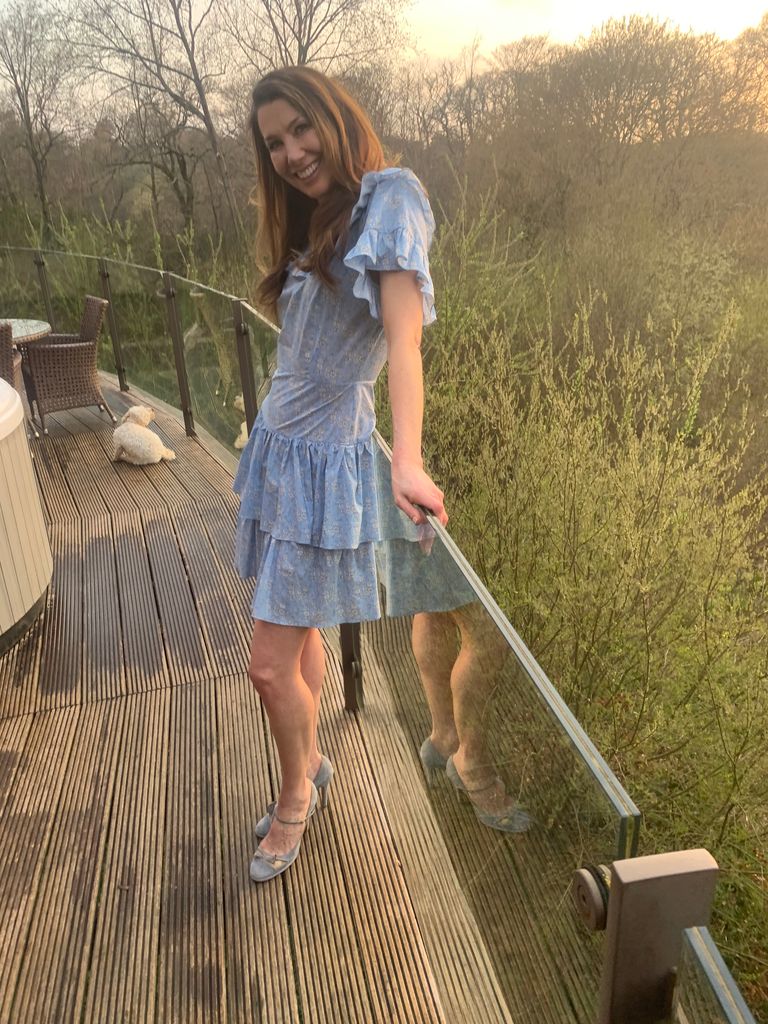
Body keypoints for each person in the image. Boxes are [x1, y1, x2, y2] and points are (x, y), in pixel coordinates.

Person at [233, 66, 448, 883]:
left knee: (265, 662)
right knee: (302, 632)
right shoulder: (313, 220)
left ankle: (297, 795)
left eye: (299, 129)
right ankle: (313, 758)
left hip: (328, 462)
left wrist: (408, 458)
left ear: (333, 115)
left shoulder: (390, 195)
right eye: (273, 142)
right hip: (281, 455)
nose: (290, 152)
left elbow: (403, 346)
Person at [374, 446, 532, 833]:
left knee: (434, 599)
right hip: (429, 469)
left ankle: (444, 738)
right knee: (487, 631)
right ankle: (471, 765)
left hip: (411, 457)